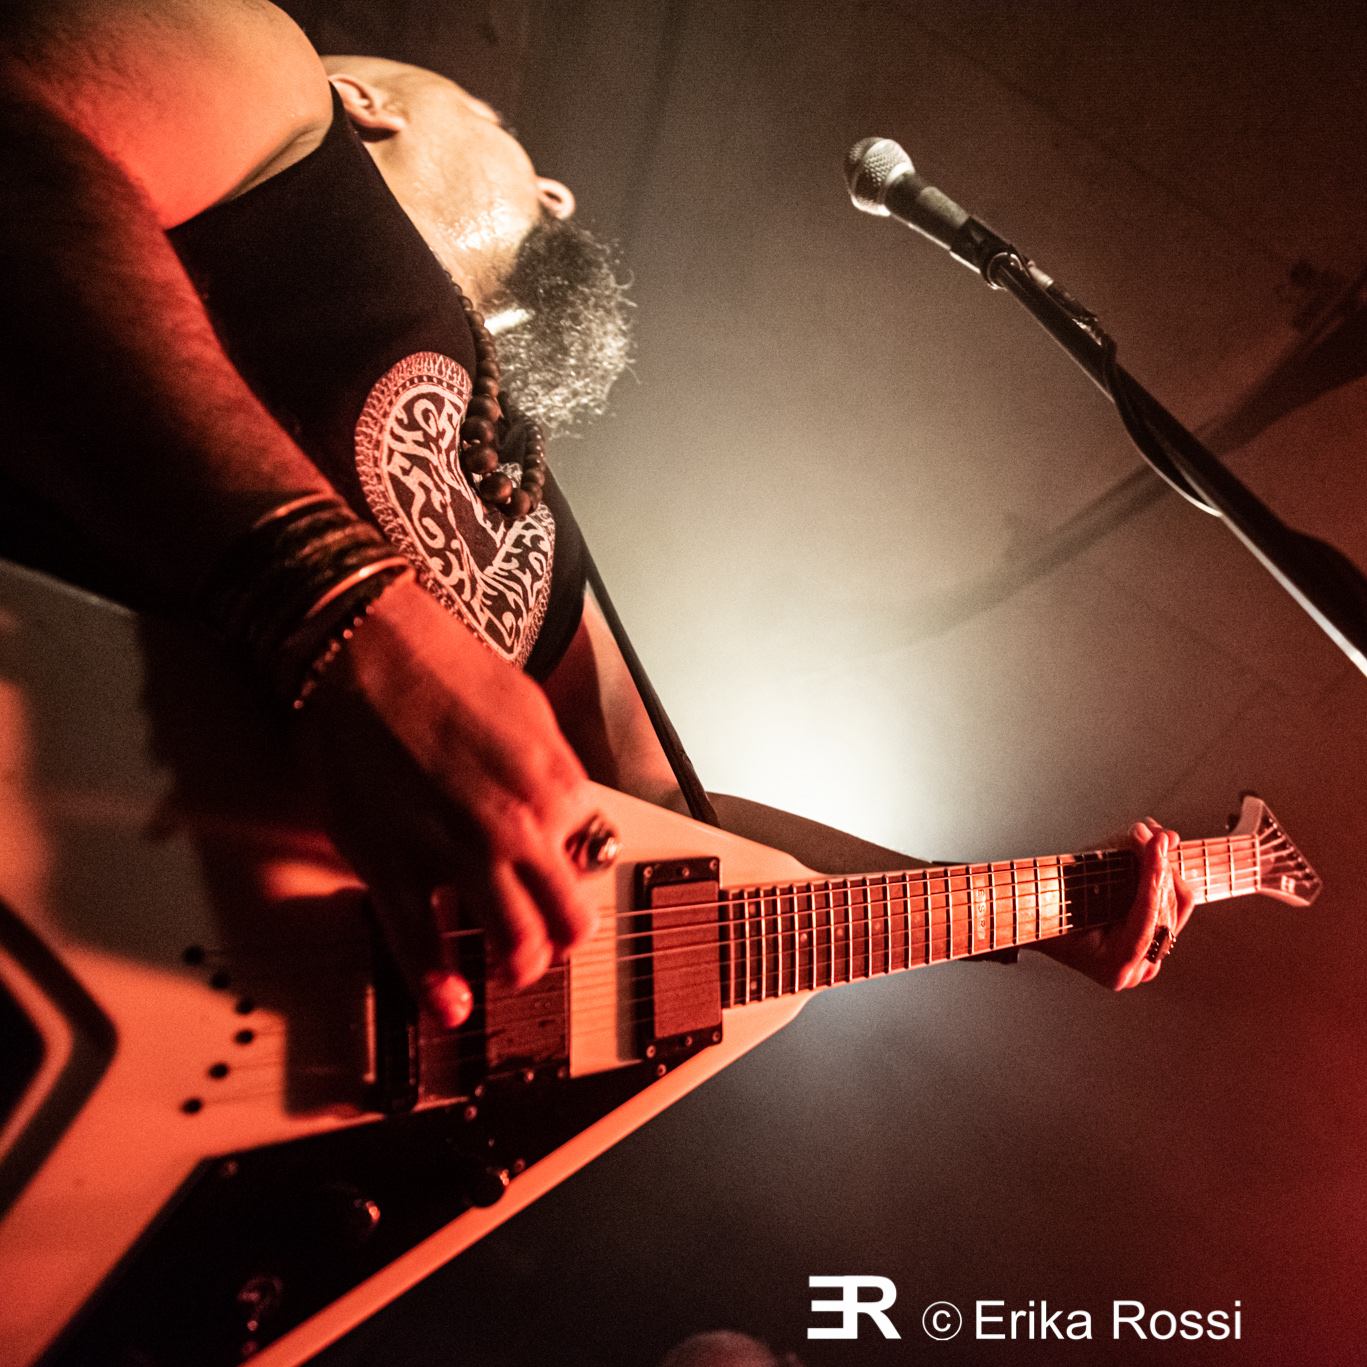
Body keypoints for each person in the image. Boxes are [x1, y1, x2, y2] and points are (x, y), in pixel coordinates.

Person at [0, 0, 1195, 1029]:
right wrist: (342, 610)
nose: (560, 189)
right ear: (370, 104)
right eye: (501, 128)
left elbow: (670, 826)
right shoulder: (267, 76)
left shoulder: (528, 506)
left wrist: (1030, 910)